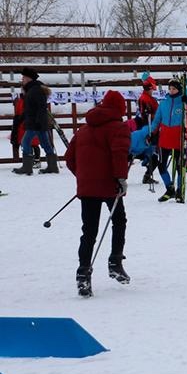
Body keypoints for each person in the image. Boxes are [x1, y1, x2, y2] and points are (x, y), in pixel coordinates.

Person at [64, 90, 131, 297]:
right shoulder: (119, 128)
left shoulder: (83, 129)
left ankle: (83, 274)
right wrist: (121, 179)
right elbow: (119, 155)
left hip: (88, 188)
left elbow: (69, 158)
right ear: (120, 108)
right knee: (119, 221)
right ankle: (115, 261)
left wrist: (84, 178)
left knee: (89, 231)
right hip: (110, 186)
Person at [12, 67, 58, 176]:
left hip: (35, 123)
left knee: (25, 142)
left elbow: (41, 108)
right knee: (45, 143)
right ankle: (52, 166)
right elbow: (30, 108)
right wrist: (21, 118)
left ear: (28, 78)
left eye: (23, 77)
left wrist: (37, 122)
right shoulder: (32, 90)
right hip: (38, 122)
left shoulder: (35, 90)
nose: (22, 79)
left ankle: (27, 167)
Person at [149, 79, 187, 203]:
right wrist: (151, 132)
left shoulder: (183, 103)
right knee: (161, 164)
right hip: (165, 137)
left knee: (178, 165)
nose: (171, 91)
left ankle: (179, 190)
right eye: (170, 89)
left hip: (178, 137)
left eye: (174, 89)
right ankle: (169, 188)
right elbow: (157, 120)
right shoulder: (164, 103)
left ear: (179, 90)